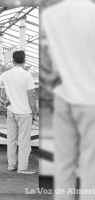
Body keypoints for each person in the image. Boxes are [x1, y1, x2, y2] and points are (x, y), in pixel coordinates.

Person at [42, 1, 95, 199]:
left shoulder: (50, 15)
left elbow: (50, 65)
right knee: (91, 166)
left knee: (63, 165)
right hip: (91, 99)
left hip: (63, 97)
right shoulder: (92, 12)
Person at [0, 50, 37, 175]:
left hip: (11, 110)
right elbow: (31, 97)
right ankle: (22, 168)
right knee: (24, 141)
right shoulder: (27, 75)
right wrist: (35, 113)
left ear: (13, 61)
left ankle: (11, 165)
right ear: (24, 61)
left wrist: (2, 101)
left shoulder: (6, 74)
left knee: (11, 139)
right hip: (24, 112)